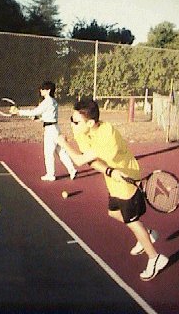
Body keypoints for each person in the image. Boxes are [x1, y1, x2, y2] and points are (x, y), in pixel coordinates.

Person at [57, 99, 169, 281]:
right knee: (113, 213)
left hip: (126, 177)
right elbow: (91, 161)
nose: (72, 124)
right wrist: (109, 171)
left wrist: (64, 144)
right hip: (114, 177)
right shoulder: (82, 131)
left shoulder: (107, 136)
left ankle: (155, 258)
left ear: (91, 123)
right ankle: (147, 234)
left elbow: (79, 161)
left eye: (75, 121)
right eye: (71, 118)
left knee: (131, 220)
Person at [10, 81, 77, 181]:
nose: (41, 90)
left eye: (43, 89)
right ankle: (72, 170)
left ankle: (51, 175)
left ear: (48, 90)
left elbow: (35, 111)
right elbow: (46, 116)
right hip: (55, 128)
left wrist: (18, 112)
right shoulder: (54, 102)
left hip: (50, 131)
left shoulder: (47, 102)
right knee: (61, 151)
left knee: (48, 152)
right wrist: (37, 118)